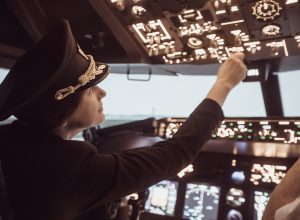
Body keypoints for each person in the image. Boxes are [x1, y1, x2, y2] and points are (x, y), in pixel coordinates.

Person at [0, 19, 246, 220]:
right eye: (89, 89)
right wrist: (223, 85)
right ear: (61, 116)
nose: (102, 92)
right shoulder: (67, 168)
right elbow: (176, 153)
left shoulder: (10, 138)